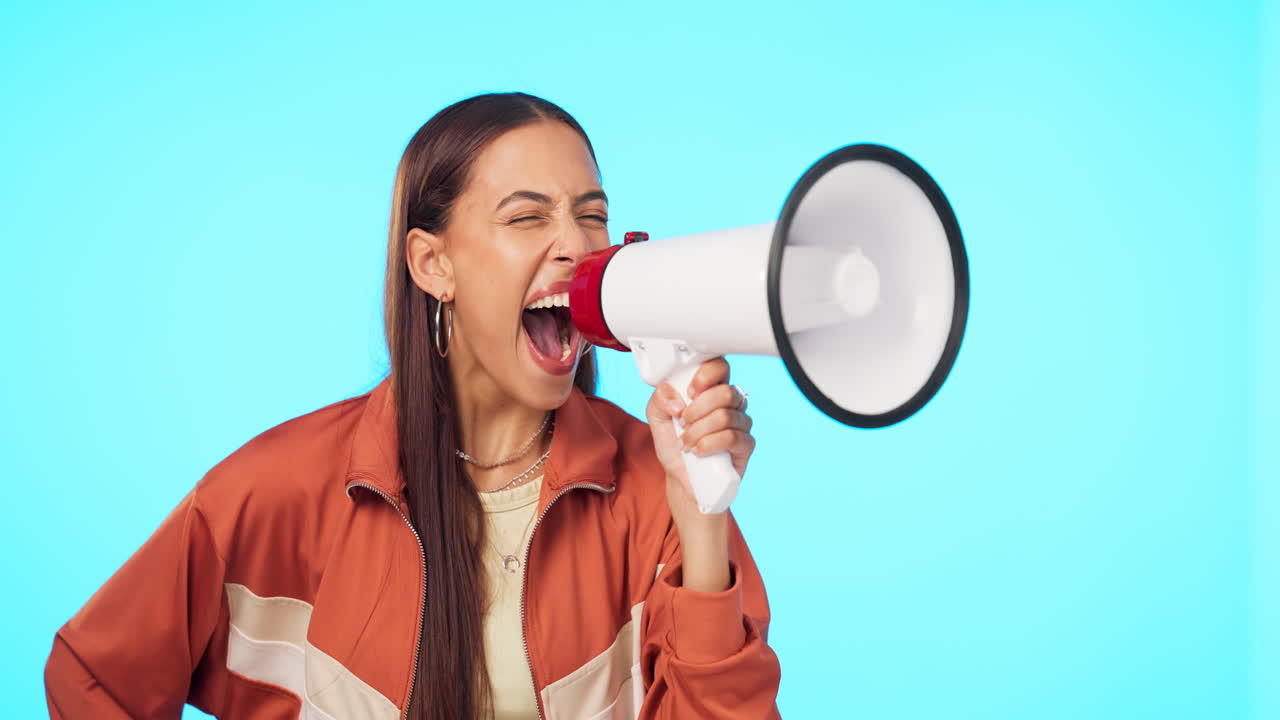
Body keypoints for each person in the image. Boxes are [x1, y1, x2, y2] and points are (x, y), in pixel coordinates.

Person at [44, 92, 782, 720]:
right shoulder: (285, 487)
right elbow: (91, 677)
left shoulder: (657, 493)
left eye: (591, 216)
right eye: (528, 218)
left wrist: (701, 524)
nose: (575, 245)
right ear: (433, 264)